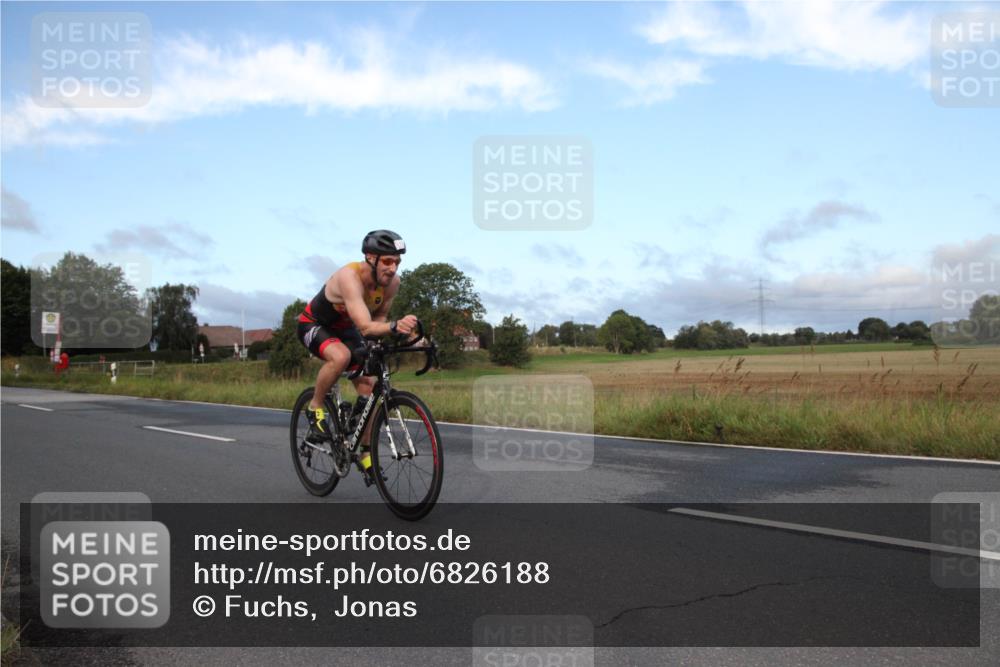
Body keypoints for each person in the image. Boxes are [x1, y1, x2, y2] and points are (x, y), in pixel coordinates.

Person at [296, 230, 418, 478]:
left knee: (370, 388)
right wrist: (395, 327)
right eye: (387, 261)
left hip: (346, 329)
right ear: (370, 258)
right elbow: (365, 326)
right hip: (314, 324)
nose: (393, 268)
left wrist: (398, 336)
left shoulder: (392, 284)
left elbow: (379, 317)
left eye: (397, 262)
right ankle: (315, 406)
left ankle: (363, 451)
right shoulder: (349, 277)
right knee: (340, 357)